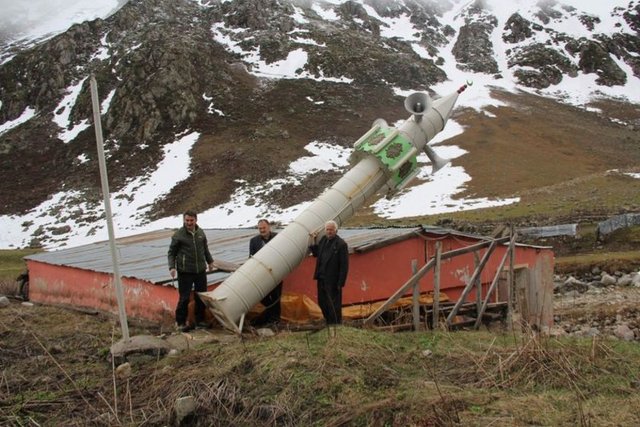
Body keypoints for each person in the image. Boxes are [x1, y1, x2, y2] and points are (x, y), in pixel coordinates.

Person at [168, 210, 214, 332]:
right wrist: (172, 267)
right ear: (184, 220)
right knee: (184, 298)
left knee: (201, 296)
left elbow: (205, 249)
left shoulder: (200, 233)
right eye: (187, 220)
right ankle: (180, 322)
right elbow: (171, 253)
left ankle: (200, 321)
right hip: (185, 271)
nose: (189, 223)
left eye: (191, 220)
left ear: (196, 220)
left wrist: (210, 262)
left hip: (200, 270)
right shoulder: (178, 235)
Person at [309, 220, 349, 326]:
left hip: (333, 280)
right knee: (322, 303)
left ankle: (336, 325)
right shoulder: (323, 240)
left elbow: (344, 266)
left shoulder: (341, 244)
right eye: (327, 229)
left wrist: (341, 283)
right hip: (321, 278)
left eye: (331, 230)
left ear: (336, 230)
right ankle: (328, 322)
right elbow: (317, 254)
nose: (329, 232)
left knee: (333, 304)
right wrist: (313, 242)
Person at [249, 219, 282, 325]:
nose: (262, 230)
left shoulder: (278, 238)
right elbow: (251, 258)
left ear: (269, 227)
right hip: (262, 275)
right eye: (260, 228)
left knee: (276, 297)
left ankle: (275, 320)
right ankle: (269, 317)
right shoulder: (254, 241)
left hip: (276, 273)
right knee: (263, 297)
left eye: (264, 228)